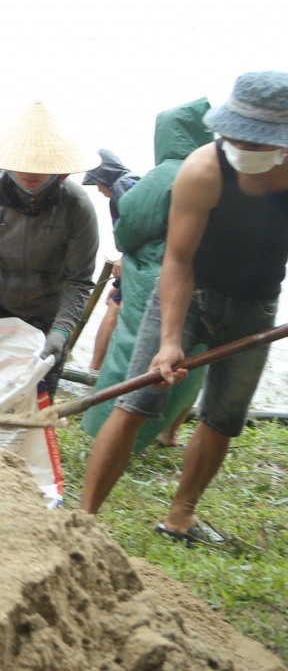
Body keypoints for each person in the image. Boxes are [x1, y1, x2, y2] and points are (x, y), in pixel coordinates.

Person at [79, 73, 288, 544]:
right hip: (189, 291)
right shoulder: (203, 170)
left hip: (256, 303)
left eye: (256, 139)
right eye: (235, 136)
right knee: (136, 401)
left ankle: (181, 517)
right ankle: (83, 520)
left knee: (223, 418)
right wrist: (170, 340)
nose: (242, 146)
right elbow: (176, 259)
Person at [80, 100, 213, 453]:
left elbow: (129, 230)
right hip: (205, 284)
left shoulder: (166, 175)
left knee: (134, 356)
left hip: (159, 279)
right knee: (190, 362)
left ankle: (107, 433)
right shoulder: (219, 173)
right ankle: (166, 432)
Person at [0, 102, 100, 398]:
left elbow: (79, 280)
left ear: (61, 171)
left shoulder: (77, 208)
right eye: (23, 162)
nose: (31, 172)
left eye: (41, 165)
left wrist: (62, 330)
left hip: (45, 312)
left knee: (31, 399)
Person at [81, 148, 141, 372]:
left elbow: (136, 227)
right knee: (113, 302)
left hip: (138, 262)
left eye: (97, 182)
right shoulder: (131, 182)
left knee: (114, 309)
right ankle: (103, 368)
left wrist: (125, 259)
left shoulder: (122, 187)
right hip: (136, 262)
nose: (98, 188)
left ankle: (94, 370)